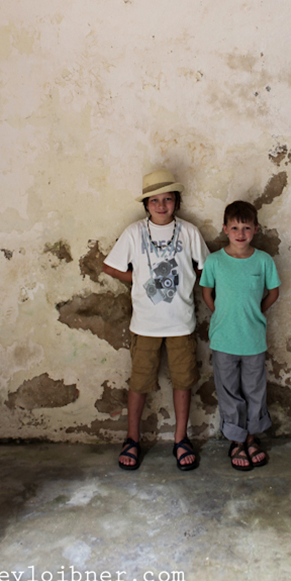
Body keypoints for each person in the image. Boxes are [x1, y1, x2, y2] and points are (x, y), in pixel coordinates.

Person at [102, 169, 210, 471]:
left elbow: (206, 268)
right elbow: (110, 267)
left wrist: (187, 284)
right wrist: (138, 280)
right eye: (154, 201)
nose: (161, 206)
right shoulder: (135, 232)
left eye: (168, 199)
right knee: (139, 382)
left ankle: (180, 439)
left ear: (176, 201)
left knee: (183, 381)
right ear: (146, 204)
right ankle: (132, 438)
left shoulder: (188, 232)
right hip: (145, 325)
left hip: (181, 322)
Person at [200, 200, 280, 470]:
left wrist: (256, 312)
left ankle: (251, 436)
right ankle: (236, 441)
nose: (240, 233)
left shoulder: (263, 260)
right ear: (225, 229)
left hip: (253, 338)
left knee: (255, 389)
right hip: (223, 339)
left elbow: (273, 293)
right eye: (234, 227)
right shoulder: (215, 261)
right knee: (229, 391)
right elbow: (207, 293)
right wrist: (220, 312)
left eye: (246, 227)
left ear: (256, 229)